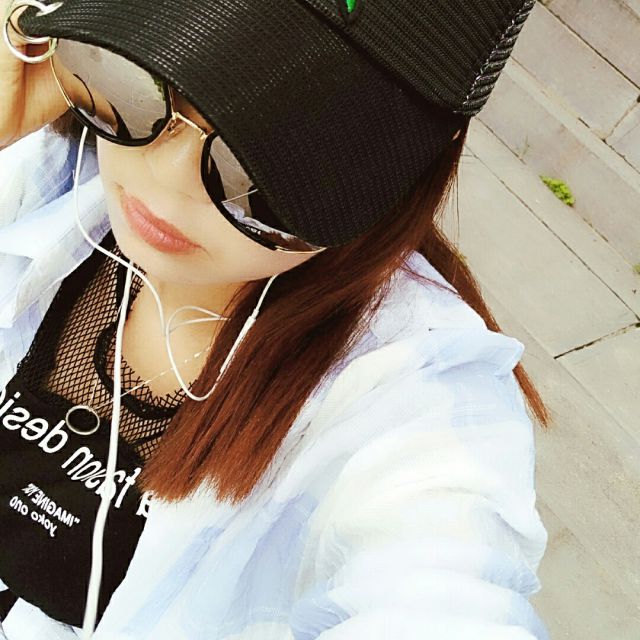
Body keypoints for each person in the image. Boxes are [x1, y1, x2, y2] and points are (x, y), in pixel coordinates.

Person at [0, 0, 551, 638]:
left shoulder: (413, 391)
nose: (171, 177)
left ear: (399, 172)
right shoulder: (45, 171)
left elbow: (445, 589)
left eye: (269, 161)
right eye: (152, 82)